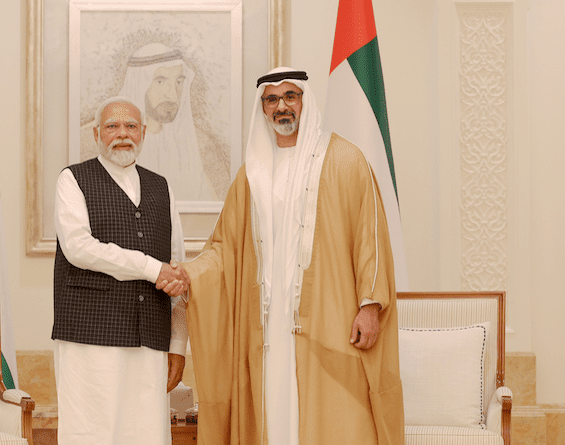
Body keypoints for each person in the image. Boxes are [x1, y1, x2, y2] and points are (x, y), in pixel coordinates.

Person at [178, 67, 405, 445]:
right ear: (263, 109)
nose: (282, 106)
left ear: (304, 101)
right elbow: (223, 249)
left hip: (331, 321)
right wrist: (189, 275)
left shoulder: (346, 160)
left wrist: (370, 305)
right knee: (273, 412)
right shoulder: (250, 175)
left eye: (290, 96)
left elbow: (373, 238)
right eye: (272, 99)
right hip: (266, 327)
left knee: (338, 417)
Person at [52, 96, 190, 445]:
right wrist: (149, 267)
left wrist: (178, 344)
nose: (122, 133)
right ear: (97, 133)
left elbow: (175, 269)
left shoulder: (162, 187)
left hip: (151, 338)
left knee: (147, 434)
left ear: (143, 132)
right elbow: (79, 249)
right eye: (112, 126)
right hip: (90, 336)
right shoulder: (72, 179)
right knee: (92, 433)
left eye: (130, 126)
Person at [80, 43, 229, 202]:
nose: (172, 95)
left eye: (178, 82)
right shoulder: (91, 139)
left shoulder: (200, 143)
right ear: (139, 85)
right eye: (160, 82)